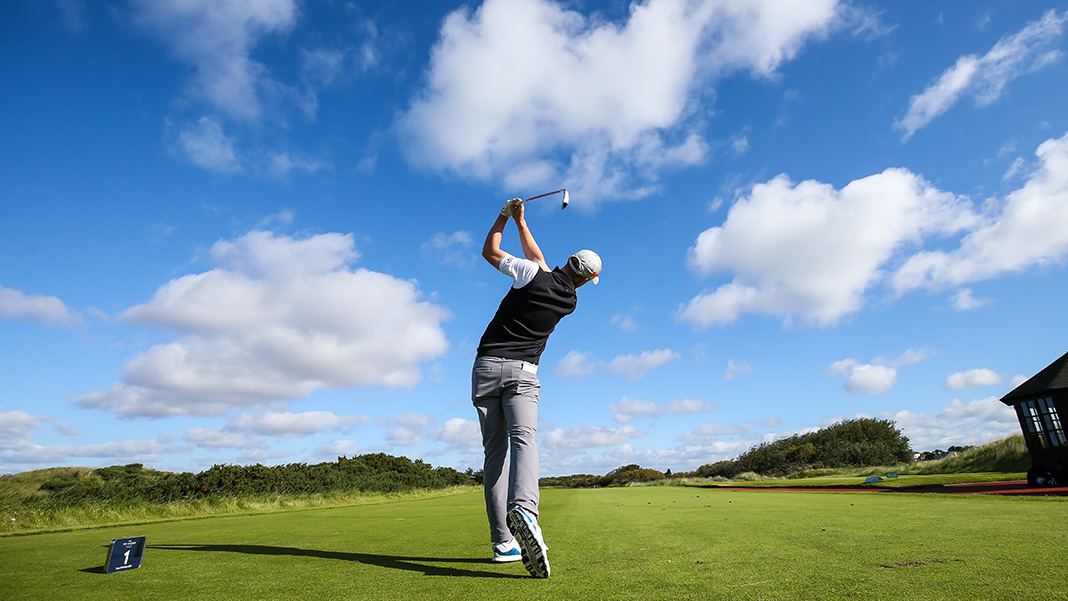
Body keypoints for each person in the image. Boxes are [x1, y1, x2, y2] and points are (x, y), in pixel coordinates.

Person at [472, 197, 601, 578]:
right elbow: (540, 262)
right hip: (523, 374)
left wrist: (503, 216)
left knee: (494, 455)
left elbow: (489, 251)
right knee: (524, 440)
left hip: (484, 368)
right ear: (585, 280)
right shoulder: (570, 299)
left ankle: (502, 543)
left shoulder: (532, 273)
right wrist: (522, 222)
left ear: (568, 262)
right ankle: (525, 510)